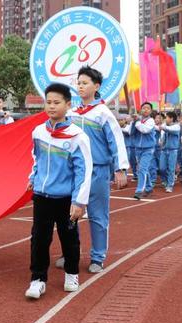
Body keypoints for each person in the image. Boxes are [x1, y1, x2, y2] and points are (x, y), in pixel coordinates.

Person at [25, 83, 92, 299]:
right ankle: (37, 278)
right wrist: (33, 178)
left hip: (65, 199)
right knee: (39, 239)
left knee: (69, 238)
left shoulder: (77, 136)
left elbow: (84, 171)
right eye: (48, 102)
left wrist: (79, 202)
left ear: (68, 104)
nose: (51, 107)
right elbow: (36, 159)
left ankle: (71, 273)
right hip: (42, 196)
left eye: (57, 102)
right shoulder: (38, 132)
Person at [66, 66, 128, 273]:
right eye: (79, 83)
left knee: (98, 215)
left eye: (85, 83)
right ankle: (69, 253)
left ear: (96, 86)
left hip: (98, 171)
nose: (80, 86)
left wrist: (120, 169)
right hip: (75, 172)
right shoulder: (71, 113)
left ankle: (97, 257)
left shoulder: (102, 113)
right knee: (70, 213)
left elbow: (116, 141)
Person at [132, 103, 156, 200]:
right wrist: (133, 122)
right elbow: (131, 132)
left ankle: (139, 191)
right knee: (143, 169)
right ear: (140, 110)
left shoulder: (151, 121)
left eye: (148, 108)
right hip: (138, 148)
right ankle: (149, 187)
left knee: (142, 169)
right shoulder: (138, 120)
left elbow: (144, 130)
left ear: (151, 111)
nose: (145, 110)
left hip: (148, 149)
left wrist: (137, 122)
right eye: (143, 108)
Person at [159, 111, 181, 193]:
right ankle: (165, 180)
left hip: (173, 151)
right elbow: (161, 134)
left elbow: (169, 130)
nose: (165, 119)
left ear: (171, 119)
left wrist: (163, 127)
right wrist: (160, 140)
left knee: (171, 168)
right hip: (164, 150)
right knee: (162, 168)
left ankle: (170, 185)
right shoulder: (165, 126)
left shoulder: (176, 127)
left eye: (167, 117)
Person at [119, 116, 137, 180]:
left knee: (132, 162)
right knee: (124, 161)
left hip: (130, 146)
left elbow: (127, 132)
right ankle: (124, 176)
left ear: (125, 120)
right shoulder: (118, 128)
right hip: (122, 147)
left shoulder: (128, 127)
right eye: (119, 120)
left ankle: (135, 174)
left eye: (121, 120)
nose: (120, 121)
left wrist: (119, 129)